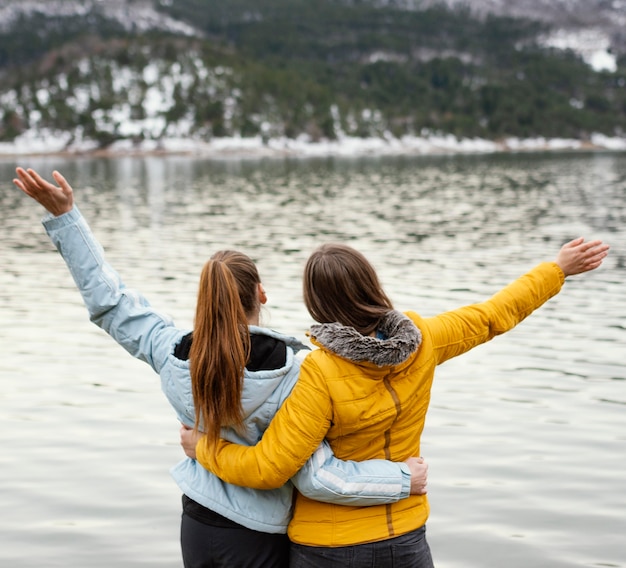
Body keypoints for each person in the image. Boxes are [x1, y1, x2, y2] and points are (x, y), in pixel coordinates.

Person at [13, 167, 430, 568]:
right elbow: (315, 478)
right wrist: (401, 479)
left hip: (196, 524)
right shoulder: (299, 372)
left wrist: (66, 218)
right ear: (261, 294)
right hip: (258, 536)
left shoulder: (170, 350)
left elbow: (111, 302)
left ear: (206, 298)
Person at [181, 233, 609, 567]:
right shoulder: (423, 339)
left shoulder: (318, 372)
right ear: (372, 284)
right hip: (405, 539)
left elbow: (269, 468)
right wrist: (558, 269)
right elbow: (495, 314)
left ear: (315, 303)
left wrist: (204, 448)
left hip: (328, 547)